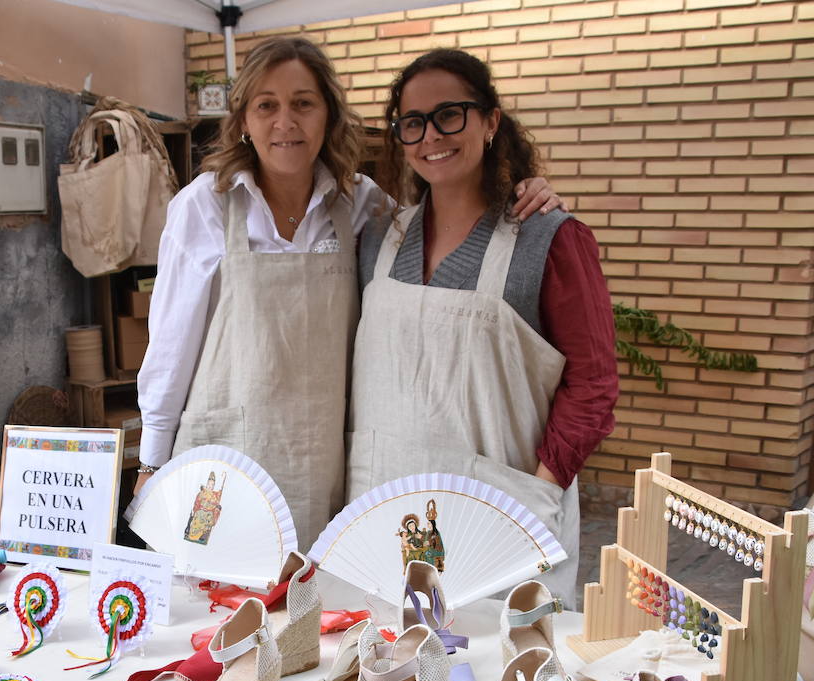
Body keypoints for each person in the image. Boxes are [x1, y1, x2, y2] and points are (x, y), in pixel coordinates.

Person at [136, 38, 560, 547]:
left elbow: (441, 216)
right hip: (223, 456)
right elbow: (169, 348)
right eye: (266, 105)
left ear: (328, 117)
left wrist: (522, 188)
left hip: (321, 464)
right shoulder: (204, 206)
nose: (285, 122)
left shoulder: (364, 207)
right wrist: (151, 461)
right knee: (216, 606)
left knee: (311, 610)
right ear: (243, 120)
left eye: (303, 103)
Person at [348, 49, 618, 608]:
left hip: (500, 520)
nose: (431, 136)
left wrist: (542, 488)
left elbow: (593, 384)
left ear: (491, 121)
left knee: (496, 679)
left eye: (451, 114)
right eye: (413, 123)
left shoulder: (547, 238)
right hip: (384, 513)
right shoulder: (379, 240)